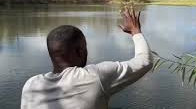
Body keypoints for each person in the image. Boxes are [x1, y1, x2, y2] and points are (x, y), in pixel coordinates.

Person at [21, 8, 153, 109]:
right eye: (85, 47)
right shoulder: (95, 76)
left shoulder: (30, 86)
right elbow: (145, 61)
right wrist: (136, 31)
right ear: (79, 51)